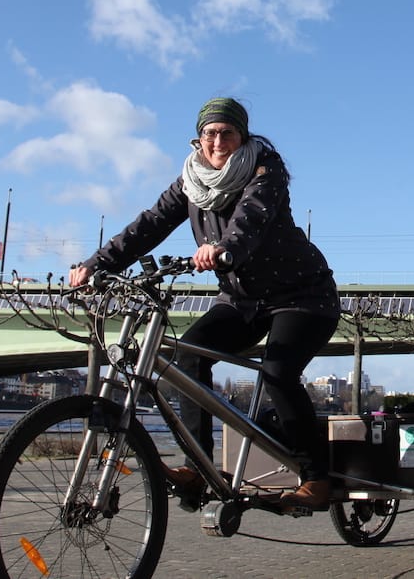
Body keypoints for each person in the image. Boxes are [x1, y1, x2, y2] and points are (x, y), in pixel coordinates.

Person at [69, 97, 341, 510]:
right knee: (187, 361)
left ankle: (316, 478)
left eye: (227, 134)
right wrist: (96, 264)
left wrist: (222, 247)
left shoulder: (265, 172)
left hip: (303, 296)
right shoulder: (190, 182)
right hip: (242, 300)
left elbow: (251, 216)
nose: (218, 142)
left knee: (278, 372)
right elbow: (149, 225)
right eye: (209, 134)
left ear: (242, 137)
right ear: (198, 140)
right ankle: (198, 468)